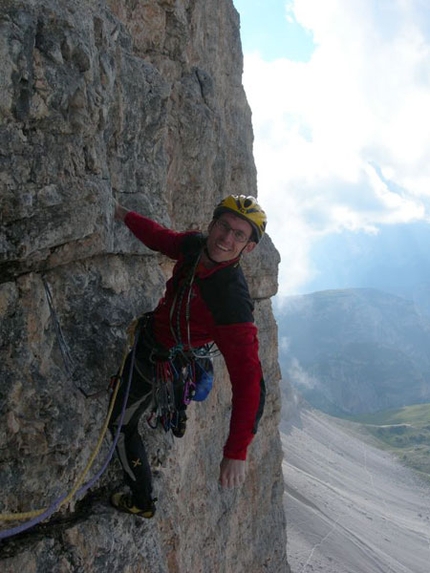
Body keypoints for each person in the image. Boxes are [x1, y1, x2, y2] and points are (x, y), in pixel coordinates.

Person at [109, 194, 267, 518]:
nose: (226, 238)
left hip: (162, 363)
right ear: (212, 224)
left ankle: (142, 501)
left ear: (248, 247)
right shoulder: (196, 246)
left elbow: (250, 381)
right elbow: (161, 239)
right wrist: (124, 215)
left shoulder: (231, 302)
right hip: (151, 341)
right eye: (224, 226)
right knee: (123, 392)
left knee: (120, 424)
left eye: (239, 234)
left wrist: (236, 451)